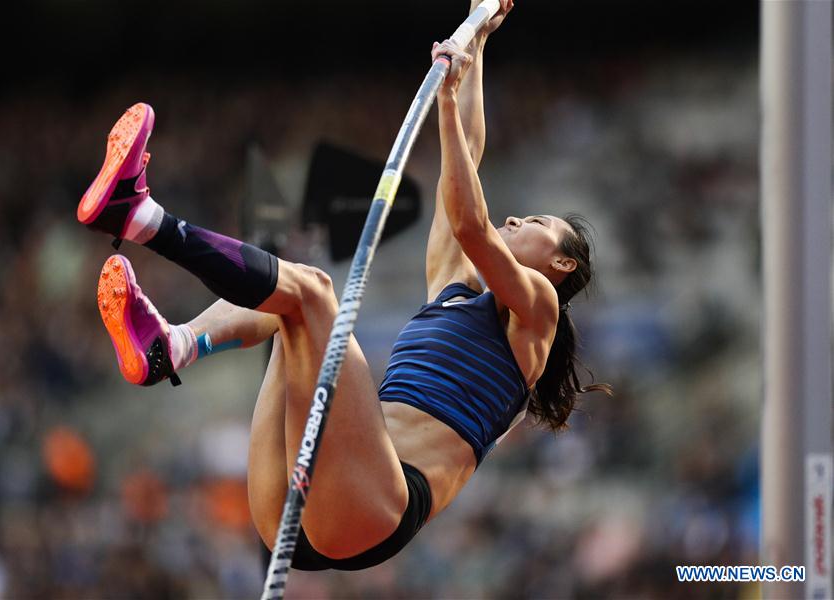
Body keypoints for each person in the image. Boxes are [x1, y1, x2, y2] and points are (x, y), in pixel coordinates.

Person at [79, 0, 609, 571]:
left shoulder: (539, 313)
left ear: (561, 264)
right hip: (310, 497)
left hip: (379, 505)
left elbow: (470, 223)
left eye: (536, 223)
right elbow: (468, 161)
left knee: (313, 293)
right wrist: (477, 40)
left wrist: (447, 99)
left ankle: (142, 218)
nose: (517, 218)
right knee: (289, 308)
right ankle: (174, 345)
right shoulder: (453, 290)